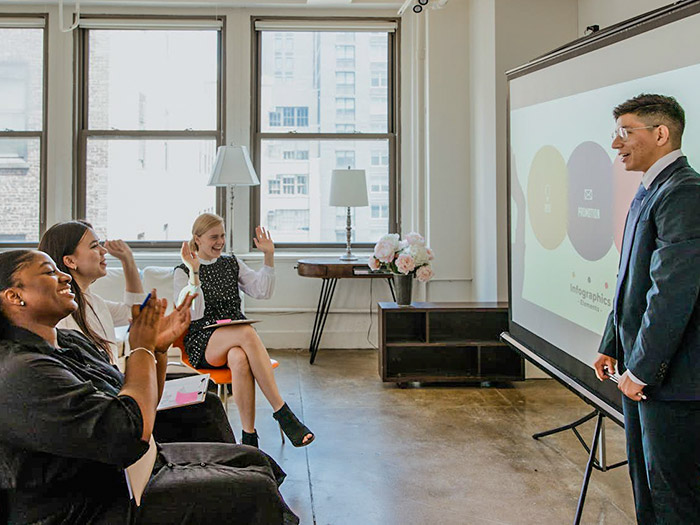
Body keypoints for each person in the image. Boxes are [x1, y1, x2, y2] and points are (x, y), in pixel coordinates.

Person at [0, 250, 299, 525]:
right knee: (254, 490)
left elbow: (139, 400)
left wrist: (155, 349)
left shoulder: (69, 343)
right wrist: (140, 348)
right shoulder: (23, 370)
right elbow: (128, 433)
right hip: (85, 505)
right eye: (49, 272)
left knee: (254, 461)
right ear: (14, 296)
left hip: (126, 473)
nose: (64, 277)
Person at [593, 93, 700, 524]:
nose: (616, 144)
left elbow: (671, 293)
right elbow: (630, 283)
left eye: (625, 132)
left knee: (675, 499)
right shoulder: (651, 189)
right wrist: (612, 342)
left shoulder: (685, 193)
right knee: (648, 491)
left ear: (661, 134)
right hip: (644, 375)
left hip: (673, 382)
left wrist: (641, 369)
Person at [39, 220, 236, 445]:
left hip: (117, 390)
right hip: (113, 405)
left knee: (204, 392)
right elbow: (135, 313)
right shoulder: (62, 318)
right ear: (70, 261)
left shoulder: (94, 303)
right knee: (206, 407)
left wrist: (128, 260)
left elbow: (134, 312)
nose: (103, 251)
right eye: (94, 246)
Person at [174, 213, 314, 448]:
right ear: (197, 239)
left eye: (222, 236)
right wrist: (195, 273)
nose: (220, 242)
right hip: (203, 341)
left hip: (234, 336)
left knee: (239, 358)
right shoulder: (183, 270)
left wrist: (269, 256)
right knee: (247, 333)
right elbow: (193, 315)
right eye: (213, 237)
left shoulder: (231, 262)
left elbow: (262, 291)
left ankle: (249, 438)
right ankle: (283, 412)